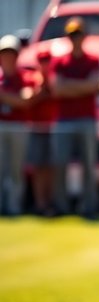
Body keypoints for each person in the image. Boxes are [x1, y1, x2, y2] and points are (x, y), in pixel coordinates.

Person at [50, 17, 99, 218]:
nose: (75, 38)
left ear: (85, 36)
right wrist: (82, 86)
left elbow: (94, 86)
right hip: (64, 119)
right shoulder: (59, 61)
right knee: (60, 163)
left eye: (78, 34)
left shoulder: (93, 60)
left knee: (89, 164)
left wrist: (68, 85)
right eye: (72, 35)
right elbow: (57, 89)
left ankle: (89, 206)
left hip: (87, 119)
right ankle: (60, 206)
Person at [0, 34, 34, 216]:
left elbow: (25, 100)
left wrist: (4, 96)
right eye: (4, 53)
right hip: (1, 126)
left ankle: (14, 206)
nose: (8, 57)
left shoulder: (24, 76)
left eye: (11, 53)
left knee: (16, 169)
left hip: (18, 126)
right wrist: (12, 98)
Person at [26, 49, 57, 216]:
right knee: (38, 168)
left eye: (47, 61)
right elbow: (27, 99)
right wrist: (41, 89)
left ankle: (49, 202)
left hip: (53, 129)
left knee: (51, 168)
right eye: (42, 61)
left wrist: (49, 86)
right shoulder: (32, 78)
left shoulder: (54, 79)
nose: (45, 65)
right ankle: (40, 203)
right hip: (36, 128)